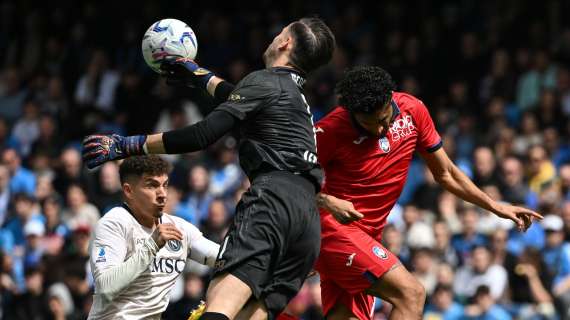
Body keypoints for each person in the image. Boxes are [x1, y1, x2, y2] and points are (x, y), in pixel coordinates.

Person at [82, 17, 336, 320]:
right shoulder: (295, 97)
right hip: (307, 221)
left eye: (278, 34)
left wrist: (127, 145)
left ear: (285, 43)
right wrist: (197, 74)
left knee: (219, 305)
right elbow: (240, 96)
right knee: (249, 315)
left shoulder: (265, 80)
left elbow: (202, 134)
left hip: (272, 202)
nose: (273, 39)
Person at [311, 66, 540, 319]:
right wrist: (327, 201)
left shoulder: (413, 110)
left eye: (383, 119)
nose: (378, 130)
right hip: (332, 229)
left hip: (368, 236)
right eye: (367, 123)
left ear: (390, 99)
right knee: (412, 294)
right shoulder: (329, 129)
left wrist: (497, 207)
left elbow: (446, 173)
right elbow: (283, 179)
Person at [87, 156, 220, 319]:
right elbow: (106, 287)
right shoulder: (113, 224)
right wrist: (152, 246)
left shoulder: (179, 227)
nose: (163, 194)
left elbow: (224, 258)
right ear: (129, 191)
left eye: (165, 185)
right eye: (152, 186)